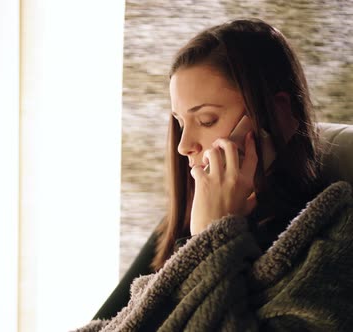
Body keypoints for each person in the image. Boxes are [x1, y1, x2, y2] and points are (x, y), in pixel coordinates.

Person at [74, 19, 353, 331]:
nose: (183, 146)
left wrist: (211, 236)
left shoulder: (335, 236)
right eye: (180, 122)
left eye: (206, 120)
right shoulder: (183, 220)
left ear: (279, 114)